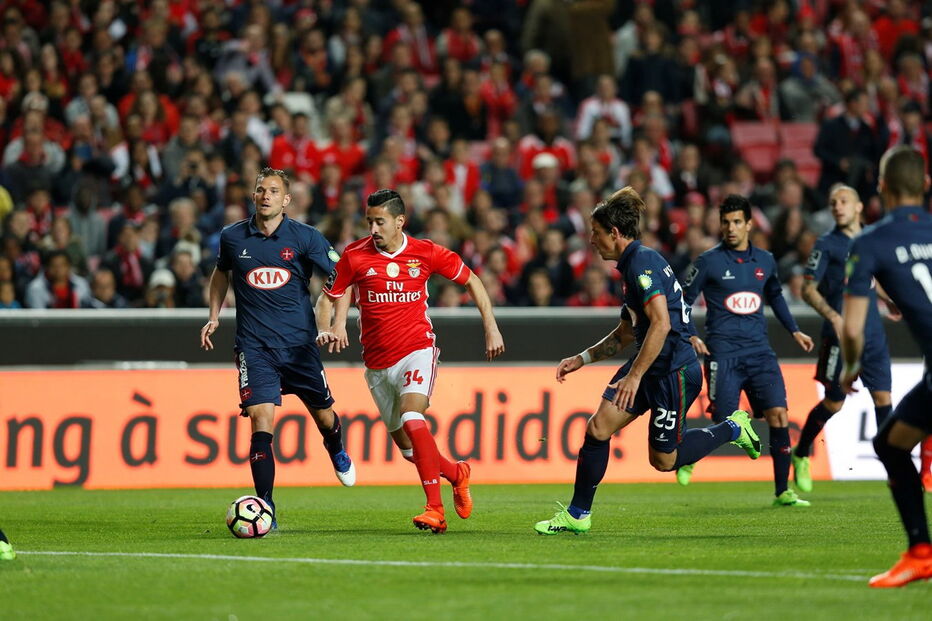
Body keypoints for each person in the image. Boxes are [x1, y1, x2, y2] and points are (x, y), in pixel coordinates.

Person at [532, 187, 762, 536]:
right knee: (598, 428)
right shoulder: (632, 266)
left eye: (596, 232)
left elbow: (661, 323)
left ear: (614, 232)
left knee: (664, 460)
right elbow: (626, 333)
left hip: (673, 371)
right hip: (651, 364)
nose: (591, 240)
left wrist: (635, 376)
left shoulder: (642, 263)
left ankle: (733, 427)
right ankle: (578, 514)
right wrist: (583, 358)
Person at [317, 189, 505, 534]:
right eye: (369, 221)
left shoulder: (426, 252)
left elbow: (472, 281)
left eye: (380, 222)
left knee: (412, 416)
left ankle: (435, 510)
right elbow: (329, 297)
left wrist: (491, 328)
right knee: (408, 450)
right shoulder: (354, 256)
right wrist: (330, 326)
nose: (373, 229)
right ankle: (457, 473)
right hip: (377, 364)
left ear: (399, 221)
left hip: (416, 350)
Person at [200, 167, 355, 529]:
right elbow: (221, 273)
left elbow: (342, 276)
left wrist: (337, 323)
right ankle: (265, 507)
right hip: (254, 347)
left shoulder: (306, 237)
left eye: (272, 191)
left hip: (300, 346)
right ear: (253, 196)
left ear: (286, 200)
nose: (265, 195)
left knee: (324, 417)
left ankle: (335, 448)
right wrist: (214, 316)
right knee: (260, 420)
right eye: (260, 190)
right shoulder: (232, 237)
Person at [678, 194, 815, 507]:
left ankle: (783, 491)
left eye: (737, 222)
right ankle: (689, 456)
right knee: (724, 420)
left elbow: (776, 296)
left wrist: (794, 329)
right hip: (723, 353)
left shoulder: (765, 260)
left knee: (778, 414)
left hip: (759, 352)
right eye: (726, 222)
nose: (731, 228)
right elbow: (683, 301)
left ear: (749, 224)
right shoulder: (708, 261)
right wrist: (691, 335)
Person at [841, 146, 932, 588]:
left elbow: (852, 328)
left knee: (892, 448)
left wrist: (850, 367)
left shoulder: (869, 243)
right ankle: (920, 554)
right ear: (926, 185)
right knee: (891, 442)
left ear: (881, 188)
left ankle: (921, 552)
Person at [792, 185, 894, 492]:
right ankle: (801, 452)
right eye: (833, 202)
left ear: (859, 206)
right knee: (834, 403)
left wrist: (889, 300)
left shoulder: (873, 239)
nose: (837, 206)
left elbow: (875, 279)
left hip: (872, 334)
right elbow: (808, 289)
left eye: (844, 201)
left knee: (883, 399)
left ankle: (895, 469)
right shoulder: (826, 244)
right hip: (838, 338)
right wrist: (834, 317)